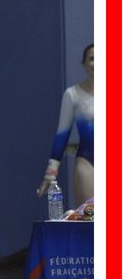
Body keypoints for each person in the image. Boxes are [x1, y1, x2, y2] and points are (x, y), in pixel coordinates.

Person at [37, 43, 94, 207]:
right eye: (92, 58)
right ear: (83, 64)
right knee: (90, 217)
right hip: (88, 164)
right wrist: (50, 174)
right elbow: (62, 136)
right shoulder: (73, 94)